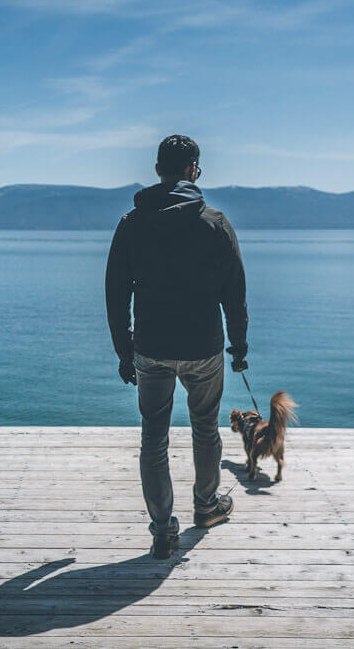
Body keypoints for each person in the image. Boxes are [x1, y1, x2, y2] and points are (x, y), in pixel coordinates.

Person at [105, 134, 249, 559]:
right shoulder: (215, 222)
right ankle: (206, 508)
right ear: (193, 171)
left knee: (154, 438)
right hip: (204, 347)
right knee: (205, 429)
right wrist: (238, 347)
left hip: (150, 348)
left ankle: (163, 531)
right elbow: (235, 294)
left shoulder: (132, 224)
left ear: (157, 170)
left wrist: (123, 349)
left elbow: (116, 293)